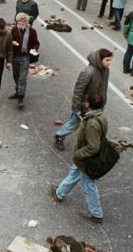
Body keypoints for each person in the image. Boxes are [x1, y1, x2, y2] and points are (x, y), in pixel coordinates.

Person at [51, 94, 124, 224]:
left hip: (87, 159)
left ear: (88, 104)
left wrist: (78, 153)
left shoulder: (92, 123)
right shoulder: (101, 116)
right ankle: (59, 193)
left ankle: (96, 213)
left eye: (86, 102)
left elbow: (93, 147)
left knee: (89, 184)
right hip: (84, 160)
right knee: (74, 172)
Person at [55, 49, 111, 151]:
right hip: (85, 105)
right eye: (107, 60)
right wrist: (76, 107)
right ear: (100, 60)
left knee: (92, 126)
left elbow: (103, 88)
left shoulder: (106, 70)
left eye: (110, 60)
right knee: (75, 123)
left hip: (97, 105)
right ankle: (60, 135)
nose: (109, 63)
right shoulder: (88, 72)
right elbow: (78, 90)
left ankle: (88, 145)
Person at [9, 13, 39, 109]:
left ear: (27, 22)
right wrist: (12, 42)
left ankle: (21, 98)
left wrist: (34, 49)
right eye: (20, 21)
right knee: (16, 76)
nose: (22, 22)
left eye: (24, 21)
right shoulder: (13, 30)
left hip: (25, 57)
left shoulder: (32, 31)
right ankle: (18, 92)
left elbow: (36, 43)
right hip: (15, 57)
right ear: (17, 22)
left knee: (22, 78)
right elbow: (9, 42)